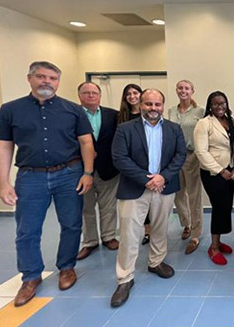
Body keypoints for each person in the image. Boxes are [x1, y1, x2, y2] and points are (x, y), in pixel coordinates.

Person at [0, 61, 94, 307]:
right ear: (30, 79)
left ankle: (67, 267)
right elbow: (2, 146)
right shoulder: (10, 110)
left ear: (58, 82)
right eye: (41, 77)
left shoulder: (73, 110)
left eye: (52, 78)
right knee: (27, 229)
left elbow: (86, 143)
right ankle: (30, 276)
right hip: (30, 176)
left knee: (71, 224)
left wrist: (88, 172)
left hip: (69, 172)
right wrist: (3, 182)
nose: (47, 82)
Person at [109, 89, 186, 308]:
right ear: (140, 105)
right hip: (135, 188)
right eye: (149, 104)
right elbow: (119, 158)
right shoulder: (125, 129)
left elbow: (180, 155)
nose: (153, 108)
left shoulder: (174, 129)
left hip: (164, 187)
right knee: (130, 234)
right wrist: (146, 179)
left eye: (157, 104)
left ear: (163, 105)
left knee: (161, 229)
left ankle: (156, 262)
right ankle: (125, 278)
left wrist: (163, 177)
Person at [194, 91, 234, 265]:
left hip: (230, 170)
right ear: (210, 106)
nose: (220, 107)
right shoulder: (204, 123)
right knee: (219, 207)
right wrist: (221, 171)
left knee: (226, 207)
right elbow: (201, 152)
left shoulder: (230, 121)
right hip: (213, 173)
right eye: (216, 104)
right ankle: (213, 247)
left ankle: (219, 242)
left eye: (223, 103)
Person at [76, 82, 120, 261]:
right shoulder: (73, 115)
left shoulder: (113, 115)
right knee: (86, 207)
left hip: (108, 168)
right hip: (80, 170)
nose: (91, 96)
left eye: (94, 93)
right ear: (79, 96)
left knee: (108, 206)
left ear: (100, 95)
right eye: (86, 93)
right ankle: (90, 241)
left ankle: (109, 237)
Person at [168, 80, 205, 254]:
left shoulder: (200, 111)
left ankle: (196, 234)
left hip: (192, 156)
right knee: (178, 195)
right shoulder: (171, 111)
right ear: (176, 90)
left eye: (187, 88)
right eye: (180, 88)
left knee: (194, 196)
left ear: (192, 91)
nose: (183, 91)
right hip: (175, 157)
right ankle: (187, 224)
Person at [118, 83, 151, 245]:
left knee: (152, 201)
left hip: (151, 166)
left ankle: (149, 232)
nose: (132, 96)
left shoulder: (151, 116)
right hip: (131, 168)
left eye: (135, 93)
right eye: (128, 94)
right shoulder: (121, 118)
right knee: (134, 203)